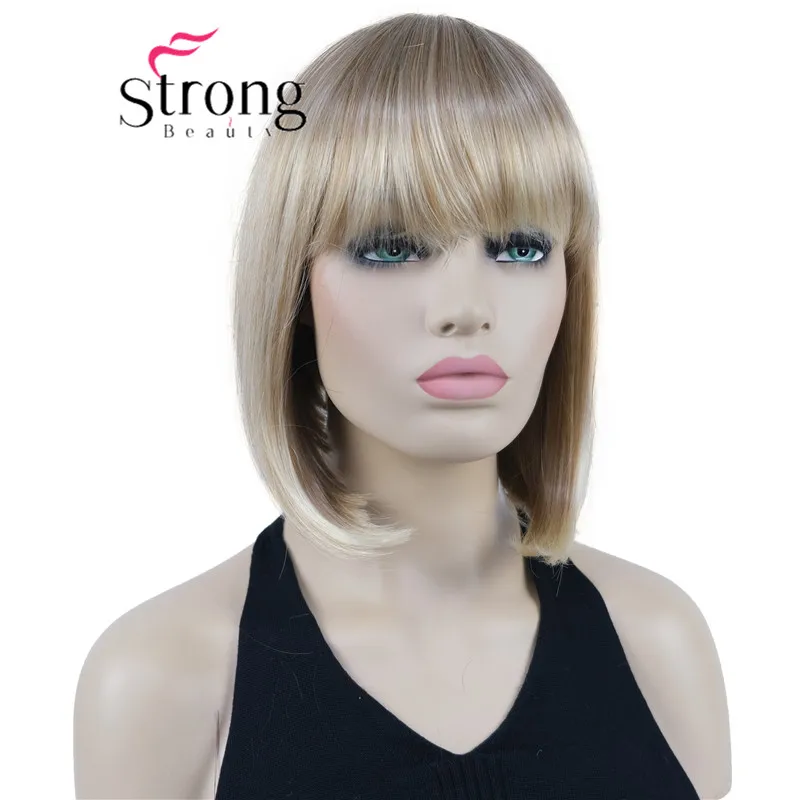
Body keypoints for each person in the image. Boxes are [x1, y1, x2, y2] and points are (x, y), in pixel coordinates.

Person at [73, 12, 731, 799]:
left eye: (520, 247)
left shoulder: (659, 643)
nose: (465, 309)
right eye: (392, 247)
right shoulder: (163, 680)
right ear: (296, 290)